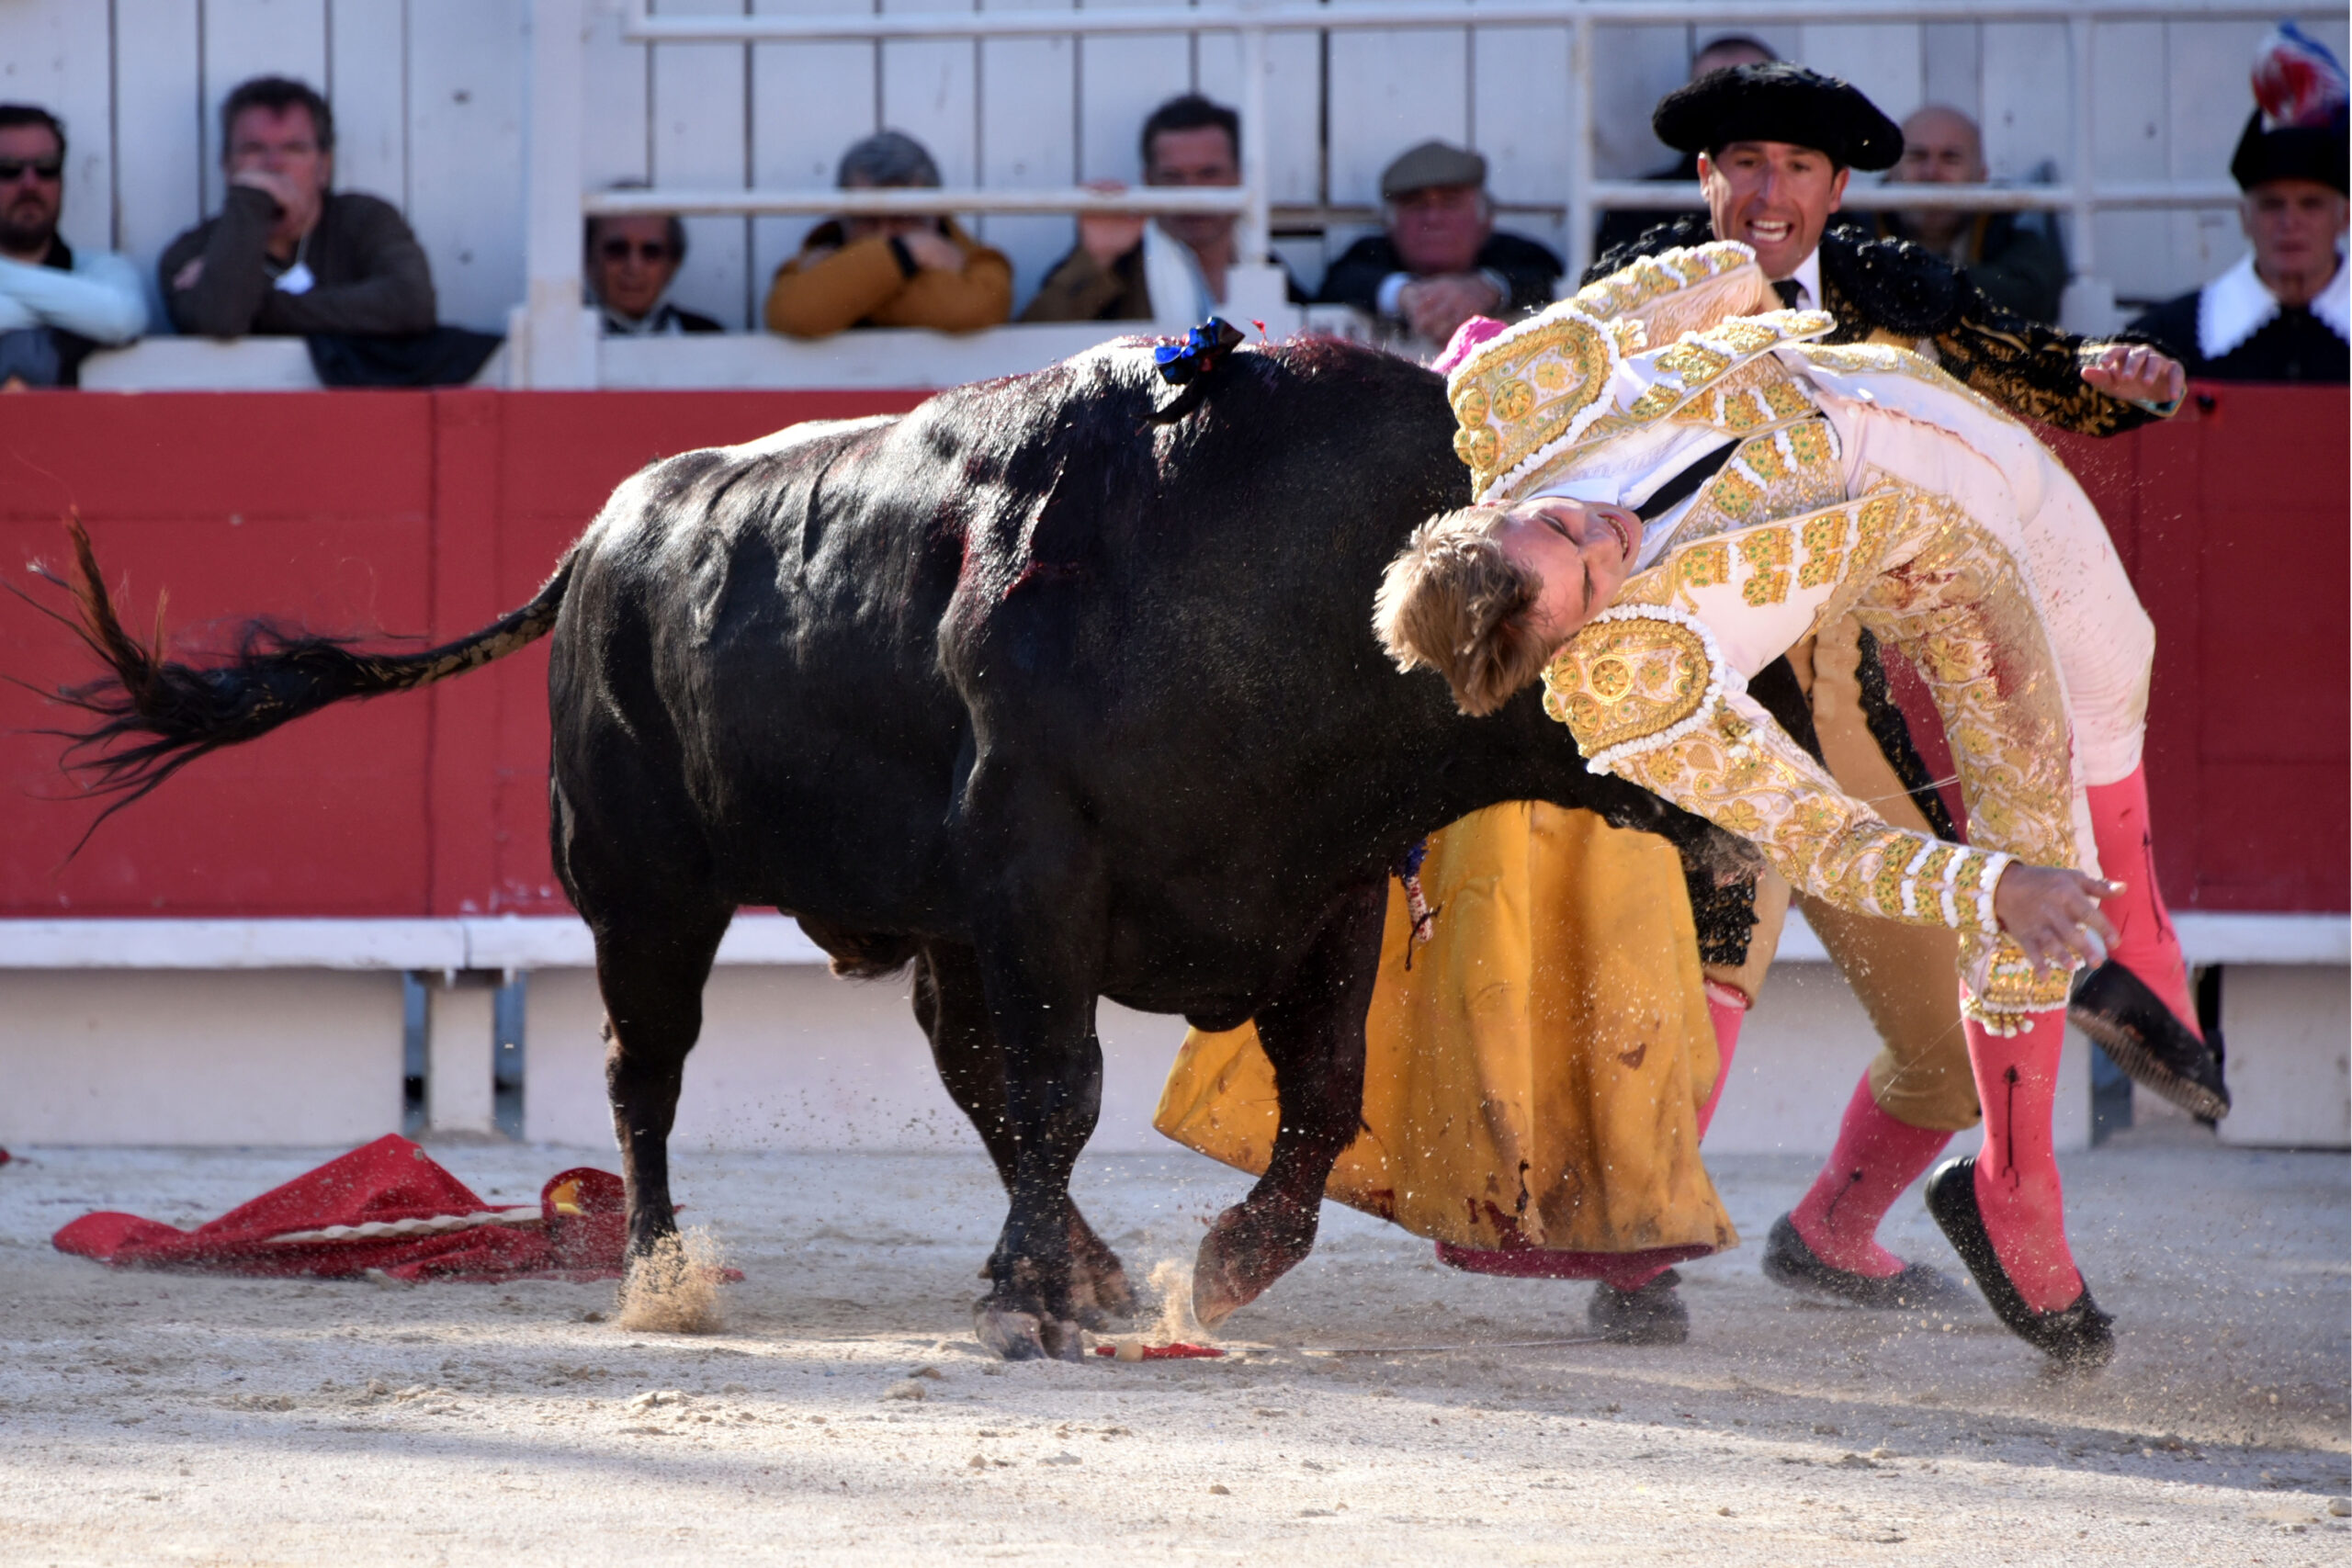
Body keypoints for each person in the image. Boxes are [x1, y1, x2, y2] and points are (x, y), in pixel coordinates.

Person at [1381, 243, 2180, 1363]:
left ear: (1496, 506)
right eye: (1592, 583)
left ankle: (1872, 1209)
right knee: (2024, 861)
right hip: (1930, 603)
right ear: (1560, 638)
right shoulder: (1632, 693)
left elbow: (1707, 272)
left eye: (1562, 523)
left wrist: (1770, 323)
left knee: (2121, 680)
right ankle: (2013, 1194)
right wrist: (1995, 883)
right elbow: (1821, 835)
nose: (1605, 539)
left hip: (1915, 419)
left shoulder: (1513, 393)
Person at [1571, 62, 2206, 1330]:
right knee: (1711, 968)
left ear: (1835, 185)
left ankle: (1832, 1231)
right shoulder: (1643, 284)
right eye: (1746, 162)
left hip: (1848, 702)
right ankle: (1631, 1255)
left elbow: (2015, 360)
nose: (1770, 191)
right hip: (1713, 691)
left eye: (1798, 169)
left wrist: (2111, 370)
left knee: (1947, 1040)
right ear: (1706, 176)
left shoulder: (1876, 279)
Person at [2131, 25, 2347, 382]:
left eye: (2311, 204)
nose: (2289, 222)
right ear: (2244, 217)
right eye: (2271, 205)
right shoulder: (2165, 342)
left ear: (2345, 217)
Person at [159, 76, 435, 340]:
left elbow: (411, 304)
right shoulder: (190, 253)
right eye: (253, 149)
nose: (274, 164)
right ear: (227, 167)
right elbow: (219, 321)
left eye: (294, 149)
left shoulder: (365, 220)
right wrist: (249, 203)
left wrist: (252, 303)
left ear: (323, 168)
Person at [1019, 94, 1301, 324]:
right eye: (1173, 177)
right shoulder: (1122, 265)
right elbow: (1026, 345)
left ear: (1239, 178)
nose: (1191, 193)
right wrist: (1095, 259)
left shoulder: (1259, 259)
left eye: (1209, 173)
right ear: (1148, 181)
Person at [764, 130, 1011, 338]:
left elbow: (967, 310)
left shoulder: (982, 269)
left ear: (936, 214)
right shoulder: (805, 262)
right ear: (842, 216)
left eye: (903, 218)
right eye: (866, 218)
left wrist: (842, 285)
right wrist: (907, 251)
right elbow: (794, 315)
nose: (884, 234)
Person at [1316, 140, 1563, 347]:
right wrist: (1406, 296)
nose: (1432, 218)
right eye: (1416, 205)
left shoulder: (1516, 254)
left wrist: (1486, 288)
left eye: (1450, 203)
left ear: (1485, 219)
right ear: (1391, 223)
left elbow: (1548, 276)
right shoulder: (1368, 256)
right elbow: (1340, 282)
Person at [1874, 105, 2067, 324]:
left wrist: (1904, 278)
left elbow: (2031, 298)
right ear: (1891, 171)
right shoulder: (1853, 223)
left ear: (1981, 175)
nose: (1931, 173)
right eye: (1917, 156)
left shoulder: (2012, 227)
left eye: (1950, 158)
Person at [1592, 34, 1777, 259]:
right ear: (1691, 109)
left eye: (1752, 96)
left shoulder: (1811, 206)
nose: (1733, 114)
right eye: (1714, 97)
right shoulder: (1638, 209)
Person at [0, 104, 143, 388]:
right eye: (9, 169)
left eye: (46, 168)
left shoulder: (101, 269)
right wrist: (79, 313)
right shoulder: (93, 288)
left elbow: (120, 318)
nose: (30, 184)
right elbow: (105, 315)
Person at [586, 199, 721, 336]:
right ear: (588, 259)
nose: (634, 267)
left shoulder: (707, 334)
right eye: (617, 250)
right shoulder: (566, 335)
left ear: (674, 263)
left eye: (651, 252)